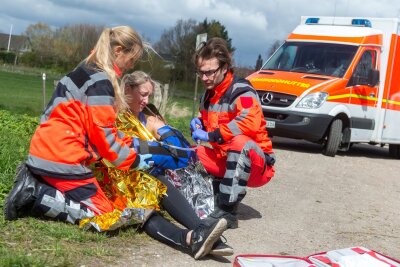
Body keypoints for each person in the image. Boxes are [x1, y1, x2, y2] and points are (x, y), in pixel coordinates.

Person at [3, 26, 228, 260]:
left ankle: (198, 234)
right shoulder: (101, 83)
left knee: (125, 198)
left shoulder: (86, 69)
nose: (131, 66)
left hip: (50, 151)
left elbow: (105, 135)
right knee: (111, 213)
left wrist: (148, 149)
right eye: (132, 59)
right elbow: (111, 150)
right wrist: (144, 159)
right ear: (119, 51)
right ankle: (35, 195)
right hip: (62, 159)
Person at [120, 70, 233, 256]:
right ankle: (199, 234)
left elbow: (180, 154)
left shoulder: (148, 116)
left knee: (164, 178)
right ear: (128, 89)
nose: (147, 100)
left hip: (150, 174)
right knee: (155, 188)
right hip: (124, 177)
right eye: (143, 94)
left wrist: (161, 129)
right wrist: (157, 149)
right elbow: (124, 150)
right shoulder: (116, 114)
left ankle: (203, 233)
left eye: (149, 95)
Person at [190, 37, 276, 229]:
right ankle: (205, 193)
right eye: (201, 73)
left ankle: (227, 211)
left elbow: (249, 123)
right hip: (225, 160)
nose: (205, 78)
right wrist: (198, 125)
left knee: (239, 143)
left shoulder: (241, 90)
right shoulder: (209, 94)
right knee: (189, 152)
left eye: (210, 72)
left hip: (256, 166)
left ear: (224, 67)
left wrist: (211, 136)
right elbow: (207, 123)